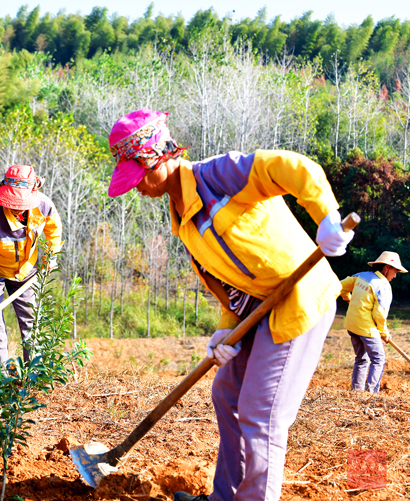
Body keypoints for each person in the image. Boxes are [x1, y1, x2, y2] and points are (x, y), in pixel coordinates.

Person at [106, 109, 354, 501]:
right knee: (226, 393)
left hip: (300, 298)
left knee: (261, 412)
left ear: (159, 158)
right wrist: (227, 327)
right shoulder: (183, 218)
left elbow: (293, 166)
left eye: (137, 176)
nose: (135, 187)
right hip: (257, 309)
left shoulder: (217, 176)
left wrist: (326, 215)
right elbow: (226, 282)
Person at [0, 164, 63, 373]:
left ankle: (35, 373)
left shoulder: (44, 206)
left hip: (26, 271)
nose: (17, 207)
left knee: (32, 320)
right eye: (13, 202)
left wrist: (51, 257)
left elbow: (54, 232)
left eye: (22, 203)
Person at [339, 251, 407, 394]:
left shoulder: (361, 276)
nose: (395, 276)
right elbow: (380, 315)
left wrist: (348, 298)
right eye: (395, 271)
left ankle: (356, 392)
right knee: (378, 359)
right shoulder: (383, 286)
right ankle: (371, 393)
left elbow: (340, 287)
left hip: (352, 325)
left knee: (361, 359)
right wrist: (384, 333)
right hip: (366, 329)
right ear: (387, 268)